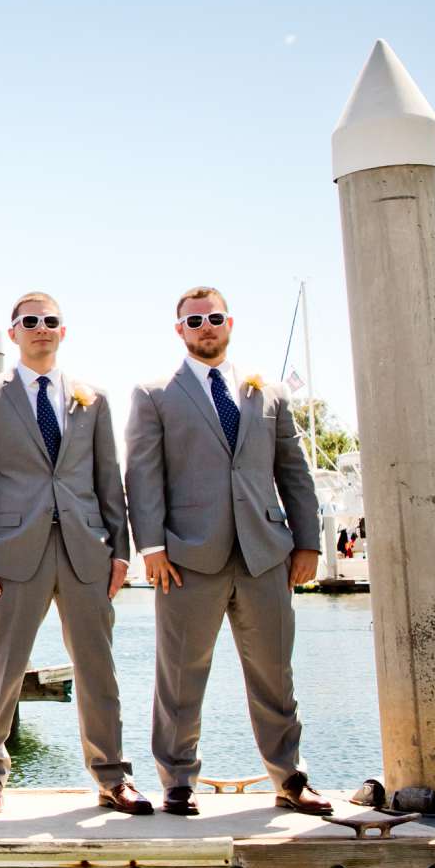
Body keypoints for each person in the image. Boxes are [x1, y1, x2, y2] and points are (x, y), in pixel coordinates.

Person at [127, 286, 333, 817]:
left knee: (274, 674)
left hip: (266, 555)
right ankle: (176, 781)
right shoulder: (154, 394)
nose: (205, 327)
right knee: (179, 676)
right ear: (179, 330)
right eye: (194, 321)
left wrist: (307, 542)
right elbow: (143, 479)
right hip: (187, 559)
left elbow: (294, 473)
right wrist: (151, 547)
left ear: (230, 323)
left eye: (214, 318)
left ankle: (289, 778)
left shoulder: (268, 393)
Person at [0, 291, 148, 817]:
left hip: (87, 551)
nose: (41, 328)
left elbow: (110, 479)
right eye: (30, 321)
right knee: (3, 667)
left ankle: (111, 776)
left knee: (98, 668)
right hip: (14, 553)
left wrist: (121, 551)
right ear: (14, 332)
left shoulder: (94, 398)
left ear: (63, 332)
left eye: (51, 321)